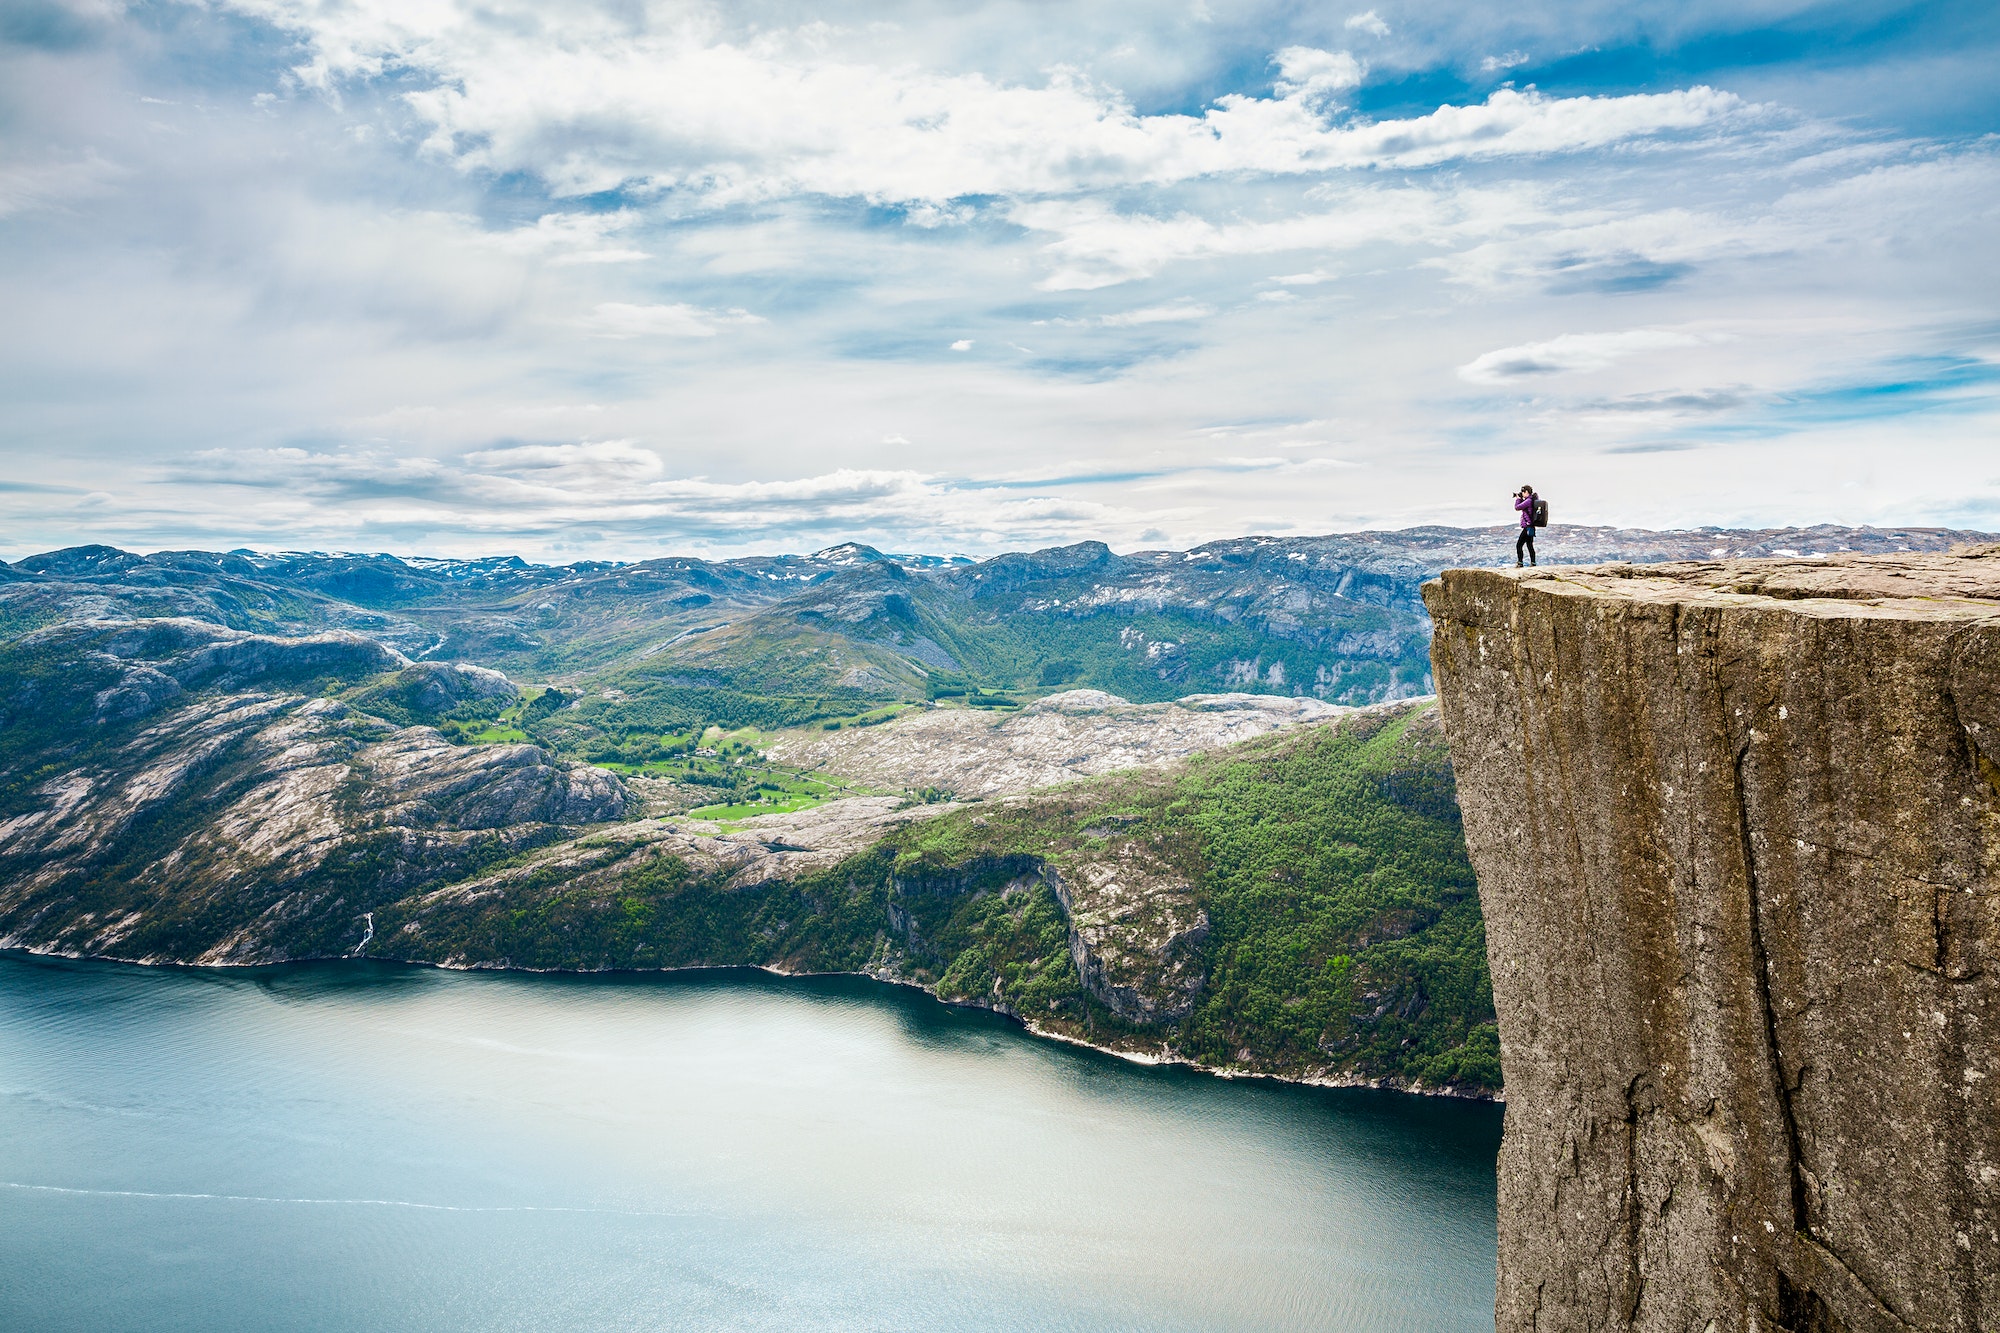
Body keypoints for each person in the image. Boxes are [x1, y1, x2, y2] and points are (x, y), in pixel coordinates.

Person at [1513, 485, 1537, 567]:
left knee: (1519, 545)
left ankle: (1520, 563)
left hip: (1527, 526)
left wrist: (1518, 499)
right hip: (1531, 526)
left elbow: (1517, 507)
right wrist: (1521, 499)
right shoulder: (1531, 500)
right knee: (1529, 545)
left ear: (1526, 492)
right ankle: (1533, 563)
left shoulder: (1528, 501)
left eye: (1523, 492)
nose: (1522, 494)